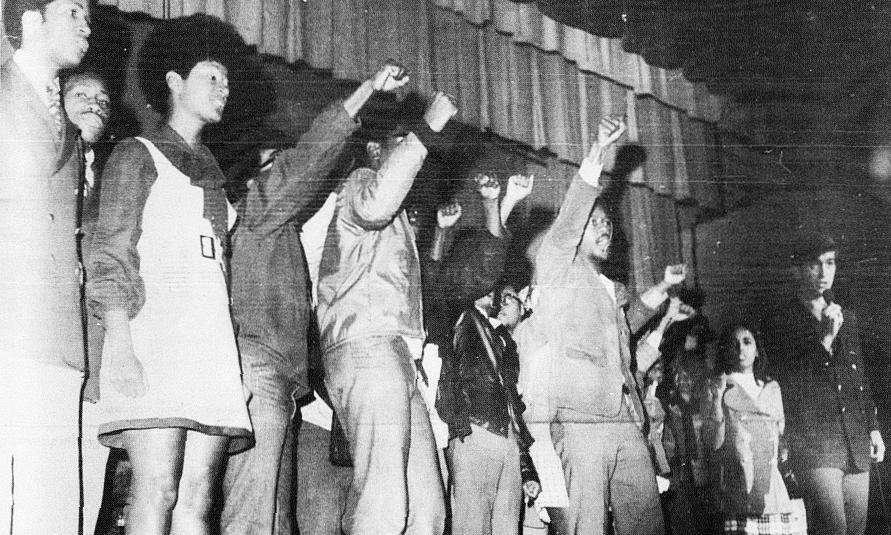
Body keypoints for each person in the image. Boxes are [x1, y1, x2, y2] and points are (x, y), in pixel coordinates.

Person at [220, 61, 409, 535]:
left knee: (274, 520)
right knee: (253, 519)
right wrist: (365, 91)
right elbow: (309, 159)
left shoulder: (283, 235)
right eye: (275, 164)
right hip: (259, 368)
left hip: (280, 377)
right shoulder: (257, 214)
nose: (291, 171)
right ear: (251, 178)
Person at [86, 15, 254, 534]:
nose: (223, 88)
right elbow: (110, 254)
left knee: (198, 501)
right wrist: (120, 343)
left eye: (227, 80)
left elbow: (218, 283)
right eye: (211, 76)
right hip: (153, 343)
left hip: (210, 352)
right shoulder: (136, 155)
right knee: (157, 488)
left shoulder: (217, 184)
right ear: (175, 81)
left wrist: (234, 364)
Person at [515, 116, 686, 535]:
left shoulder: (606, 288)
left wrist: (663, 289)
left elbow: (625, 329)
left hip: (626, 420)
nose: (605, 227)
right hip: (579, 420)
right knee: (586, 526)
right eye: (595, 222)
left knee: (647, 525)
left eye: (608, 222)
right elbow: (570, 220)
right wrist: (598, 152)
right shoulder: (558, 264)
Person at [316, 90, 458, 534]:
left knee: (427, 512)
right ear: (376, 150)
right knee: (384, 507)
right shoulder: (360, 182)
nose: (414, 152)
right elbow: (377, 202)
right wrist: (425, 131)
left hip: (394, 354)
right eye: (401, 140)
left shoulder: (397, 219)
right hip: (367, 346)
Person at [0, 1, 90, 532]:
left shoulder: (69, 130)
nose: (87, 25)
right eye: (73, 11)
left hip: (57, 339)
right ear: (32, 21)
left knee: (52, 511)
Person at [761, 233, 885, 535]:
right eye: (814, 264)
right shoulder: (779, 321)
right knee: (832, 531)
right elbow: (792, 386)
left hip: (854, 439)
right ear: (797, 270)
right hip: (815, 443)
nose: (823, 272)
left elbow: (858, 378)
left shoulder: (846, 317)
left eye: (829, 263)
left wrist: (873, 427)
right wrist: (825, 339)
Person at [63, 69, 121, 535]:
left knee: (84, 495)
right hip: (43, 355)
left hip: (94, 363)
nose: (95, 103)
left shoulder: (112, 184)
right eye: (80, 94)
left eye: (102, 98)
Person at [709, 324, 805, 535]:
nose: (741, 349)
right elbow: (713, 444)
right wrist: (716, 399)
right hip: (739, 488)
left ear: (757, 350)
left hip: (771, 487)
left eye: (747, 342)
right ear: (725, 351)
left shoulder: (772, 389)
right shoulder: (719, 387)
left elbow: (781, 437)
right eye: (734, 344)